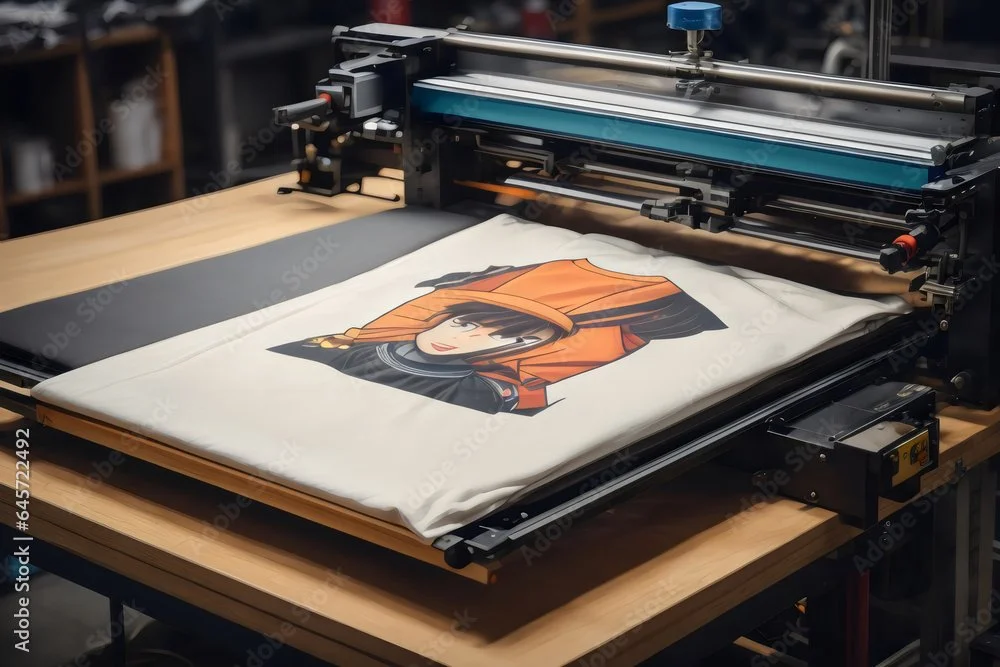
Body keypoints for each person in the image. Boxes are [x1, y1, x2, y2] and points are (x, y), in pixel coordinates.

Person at [271, 259, 727, 414]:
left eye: (510, 339)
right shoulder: (342, 349)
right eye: (466, 324)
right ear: (443, 317)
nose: (468, 339)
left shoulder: (483, 392)